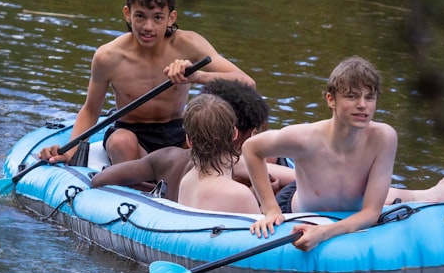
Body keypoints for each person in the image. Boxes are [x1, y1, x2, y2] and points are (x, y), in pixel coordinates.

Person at [241, 56, 444, 251]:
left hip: (353, 204)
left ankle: (429, 196)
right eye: (352, 97)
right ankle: (425, 195)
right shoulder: (305, 138)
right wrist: (270, 209)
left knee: (373, 194)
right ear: (331, 100)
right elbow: (251, 149)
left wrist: (324, 233)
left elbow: (371, 213)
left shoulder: (384, 138)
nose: (362, 105)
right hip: (302, 204)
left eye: (369, 97)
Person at [38, 0, 254, 166]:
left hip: (180, 132)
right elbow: (91, 110)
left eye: (158, 17)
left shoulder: (190, 44)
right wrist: (70, 151)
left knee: (219, 136)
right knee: (121, 142)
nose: (148, 27)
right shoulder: (108, 57)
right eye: (140, 16)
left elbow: (247, 82)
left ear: (171, 18)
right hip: (132, 133)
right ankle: (145, 187)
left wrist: (198, 77)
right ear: (127, 14)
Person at [90, 79, 295, 201]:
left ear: (188, 137)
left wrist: (154, 192)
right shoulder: (237, 165)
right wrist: (266, 192)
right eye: (253, 133)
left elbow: (101, 179)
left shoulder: (167, 157)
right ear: (237, 134)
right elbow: (294, 179)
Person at [176, 94, 260, 213]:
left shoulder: (186, 182)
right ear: (235, 134)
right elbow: (261, 230)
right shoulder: (240, 194)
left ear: (189, 141)